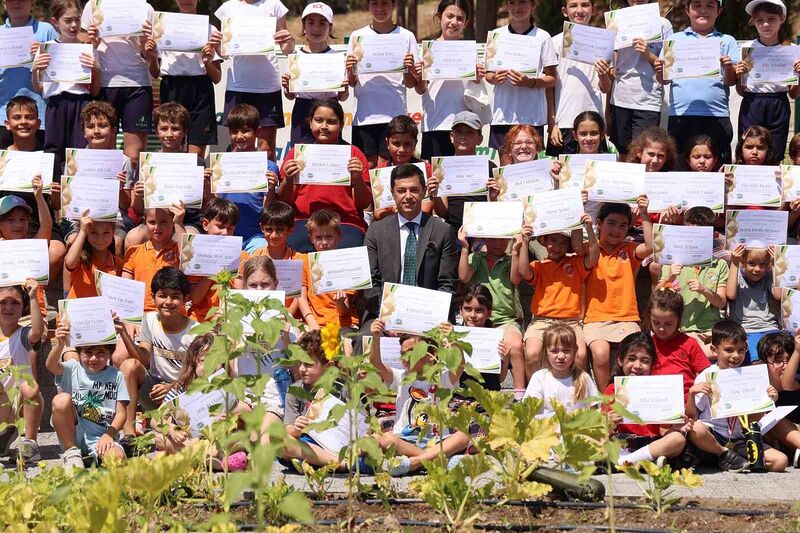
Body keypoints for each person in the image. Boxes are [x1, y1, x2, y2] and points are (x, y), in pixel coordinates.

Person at [369, 318, 470, 475]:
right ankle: (438, 461)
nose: (405, 359)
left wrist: (453, 339)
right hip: (404, 440)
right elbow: (376, 365)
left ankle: (415, 462)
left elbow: (459, 365)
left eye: (412, 353)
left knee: (462, 436)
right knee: (383, 438)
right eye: (402, 354)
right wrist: (376, 338)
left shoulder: (441, 377)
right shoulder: (401, 377)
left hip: (437, 440)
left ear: (432, 355)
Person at [688, 319, 788, 472]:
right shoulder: (706, 376)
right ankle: (724, 455)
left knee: (780, 461)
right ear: (714, 350)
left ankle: (729, 459)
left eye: (741, 350)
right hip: (713, 434)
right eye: (729, 350)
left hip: (740, 438)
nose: (736, 355)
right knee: (695, 429)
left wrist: (768, 401)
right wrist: (692, 393)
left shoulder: (750, 376)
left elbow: (751, 422)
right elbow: (692, 416)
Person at [363, 163, 458, 323]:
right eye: (401, 191)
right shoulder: (375, 231)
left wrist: (427, 319)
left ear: (424, 192)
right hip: (384, 315)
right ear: (392, 193)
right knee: (365, 340)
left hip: (430, 316)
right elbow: (371, 283)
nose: (408, 196)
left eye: (414, 190)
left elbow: (446, 283)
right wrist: (389, 317)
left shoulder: (442, 231)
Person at [278, 98, 371, 252]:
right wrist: (288, 179)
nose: (324, 127)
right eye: (318, 120)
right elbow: (284, 200)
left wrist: (357, 179)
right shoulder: (297, 154)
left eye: (331, 121)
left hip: (345, 222)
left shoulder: (354, 154)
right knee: (294, 246)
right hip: (304, 220)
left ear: (341, 124)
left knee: (351, 248)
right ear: (310, 123)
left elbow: (363, 203)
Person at [118, 267, 197, 448]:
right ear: (153, 297)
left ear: (185, 299)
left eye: (175, 296)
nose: (168, 302)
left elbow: (199, 374)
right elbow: (143, 358)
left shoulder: (195, 331)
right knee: (129, 365)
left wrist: (173, 386)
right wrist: (123, 334)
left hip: (183, 392)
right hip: (154, 391)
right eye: (162, 295)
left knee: (170, 427)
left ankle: (164, 426)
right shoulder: (150, 320)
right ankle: (129, 434)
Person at [513, 215, 598, 382]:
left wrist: (588, 228)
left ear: (569, 246)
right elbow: (523, 271)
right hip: (541, 321)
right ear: (544, 241)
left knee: (580, 354)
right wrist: (525, 242)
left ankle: (576, 395)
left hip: (570, 322)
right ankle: (536, 394)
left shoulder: (575, 263)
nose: (557, 246)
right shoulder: (539, 265)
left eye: (563, 242)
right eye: (553, 240)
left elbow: (594, 257)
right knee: (531, 353)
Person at [656, 0, 739, 165]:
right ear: (687, 10)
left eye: (710, 6)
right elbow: (663, 79)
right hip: (680, 115)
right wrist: (660, 69)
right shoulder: (674, 40)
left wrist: (728, 67)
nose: (703, 10)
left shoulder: (727, 41)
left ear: (719, 11)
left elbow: (731, 81)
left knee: (717, 167)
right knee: (680, 166)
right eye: (697, 5)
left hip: (717, 115)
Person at [583, 198, 652, 389]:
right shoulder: (590, 251)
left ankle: (631, 398)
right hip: (595, 319)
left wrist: (644, 214)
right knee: (600, 352)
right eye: (611, 223)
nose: (616, 230)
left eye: (623, 225)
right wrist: (579, 208)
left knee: (635, 354)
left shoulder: (629, 250)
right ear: (599, 223)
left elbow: (650, 246)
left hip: (626, 319)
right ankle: (606, 398)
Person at [214, 0, 294, 160]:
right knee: (238, 146)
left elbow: (286, 49)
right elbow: (223, 52)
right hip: (237, 86)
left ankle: (269, 185)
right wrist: (216, 45)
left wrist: (288, 42)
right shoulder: (227, 7)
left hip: (268, 87)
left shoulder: (274, 5)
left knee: (267, 148)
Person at [158, 334, 250, 471]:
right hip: (192, 439)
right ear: (193, 363)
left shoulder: (229, 384)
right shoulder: (182, 388)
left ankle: (197, 460)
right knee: (160, 438)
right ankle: (221, 463)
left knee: (235, 440)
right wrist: (171, 429)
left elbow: (247, 409)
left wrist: (231, 415)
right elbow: (156, 418)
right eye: (202, 360)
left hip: (220, 439)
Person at [81, 0, 155, 168]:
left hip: (138, 84)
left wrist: (145, 44)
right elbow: (83, 42)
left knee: (134, 157)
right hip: (104, 83)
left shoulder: (144, 7)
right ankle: (105, 193)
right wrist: (91, 41)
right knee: (104, 152)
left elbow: (147, 53)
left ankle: (129, 193)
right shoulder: (94, 5)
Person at [346, 0, 419, 168]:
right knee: (366, 167)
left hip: (394, 116)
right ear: (368, 6)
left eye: (385, 3)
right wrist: (351, 69)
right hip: (365, 116)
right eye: (375, 4)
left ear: (394, 5)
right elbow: (352, 82)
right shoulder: (357, 36)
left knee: (388, 168)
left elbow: (410, 84)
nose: (380, 9)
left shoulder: (406, 36)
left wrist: (408, 68)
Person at [46, 321, 128, 470]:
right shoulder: (73, 369)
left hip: (103, 436)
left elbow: (121, 413)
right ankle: (71, 452)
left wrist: (109, 435)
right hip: (74, 433)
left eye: (101, 353)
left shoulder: (118, 376)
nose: (94, 359)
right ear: (79, 353)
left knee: (118, 460)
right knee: (60, 399)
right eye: (88, 353)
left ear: (110, 353)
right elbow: (51, 365)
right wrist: (59, 344)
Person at [144, 0, 221, 156]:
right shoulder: (161, 27)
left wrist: (206, 61)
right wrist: (152, 57)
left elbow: (217, 77)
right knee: (170, 147)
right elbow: (155, 73)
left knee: (195, 156)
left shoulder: (210, 29)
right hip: (171, 87)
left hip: (201, 91)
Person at [485, 0, 557, 165]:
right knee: (506, 169)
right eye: (512, 3)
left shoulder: (543, 37)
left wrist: (530, 82)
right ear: (507, 6)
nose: (517, 7)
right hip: (503, 116)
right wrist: (494, 78)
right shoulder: (496, 35)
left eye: (523, 2)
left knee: (530, 169)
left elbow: (552, 79)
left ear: (533, 5)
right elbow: (489, 75)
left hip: (531, 116)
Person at [30, 0, 100, 171]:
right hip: (56, 106)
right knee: (54, 152)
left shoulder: (88, 49)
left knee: (80, 151)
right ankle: (52, 195)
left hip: (82, 105)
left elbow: (96, 90)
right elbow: (39, 89)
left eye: (77, 19)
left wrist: (96, 70)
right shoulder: (47, 49)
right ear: (55, 22)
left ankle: (77, 193)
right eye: (68, 20)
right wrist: (35, 70)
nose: (74, 25)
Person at [414, 0, 484, 159]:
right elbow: (420, 89)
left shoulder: (469, 52)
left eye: (460, 18)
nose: (454, 22)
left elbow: (476, 87)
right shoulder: (427, 51)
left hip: (464, 128)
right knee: (435, 180)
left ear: (466, 23)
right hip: (434, 125)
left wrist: (478, 77)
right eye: (450, 16)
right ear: (439, 17)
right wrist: (420, 75)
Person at [605, 333, 689, 466]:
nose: (637, 366)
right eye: (631, 359)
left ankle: (627, 462)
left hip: (652, 443)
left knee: (678, 439)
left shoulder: (660, 388)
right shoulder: (612, 389)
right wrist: (609, 423)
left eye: (645, 361)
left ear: (652, 364)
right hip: (623, 443)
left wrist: (676, 427)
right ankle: (644, 462)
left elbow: (664, 432)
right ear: (620, 360)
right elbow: (605, 432)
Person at [654, 207, 729, 357]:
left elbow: (721, 303)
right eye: (690, 233)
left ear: (712, 235)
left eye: (700, 235)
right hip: (679, 330)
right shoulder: (671, 263)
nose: (694, 238)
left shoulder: (720, 264)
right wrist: (669, 277)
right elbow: (655, 296)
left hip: (709, 330)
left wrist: (704, 290)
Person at [458, 230, 524, 395]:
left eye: (502, 240)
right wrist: (465, 248)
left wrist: (516, 251)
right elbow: (464, 277)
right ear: (485, 237)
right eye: (493, 239)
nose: (497, 244)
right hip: (479, 321)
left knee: (515, 345)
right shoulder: (476, 258)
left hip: (504, 321)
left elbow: (515, 279)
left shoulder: (509, 260)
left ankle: (520, 393)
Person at [2, 95, 61, 279]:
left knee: (57, 251)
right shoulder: (2, 158)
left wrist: (56, 193)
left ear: (38, 123)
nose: (23, 122)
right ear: (7, 124)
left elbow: (57, 206)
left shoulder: (49, 157)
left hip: (41, 221)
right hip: (7, 221)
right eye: (17, 117)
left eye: (29, 117)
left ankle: (35, 293)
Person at [546, 0, 611, 156]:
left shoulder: (603, 41)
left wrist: (603, 74)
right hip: (564, 122)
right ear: (564, 11)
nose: (579, 10)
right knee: (564, 177)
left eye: (585, 5)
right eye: (573, 6)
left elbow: (606, 87)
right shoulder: (554, 42)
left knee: (595, 175)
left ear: (593, 9)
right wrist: (552, 123)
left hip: (593, 122)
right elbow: (549, 87)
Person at [736, 0, 799, 159]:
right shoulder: (748, 49)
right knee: (749, 152)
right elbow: (741, 91)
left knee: (775, 153)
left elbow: (793, 94)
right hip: (752, 103)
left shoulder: (791, 50)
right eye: (760, 20)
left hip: (779, 104)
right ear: (753, 22)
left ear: (782, 19)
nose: (765, 24)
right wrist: (739, 75)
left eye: (771, 19)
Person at [213, 103, 280, 253]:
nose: (239, 136)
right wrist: (207, 185)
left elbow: (268, 210)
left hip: (254, 236)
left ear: (258, 132)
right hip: (223, 232)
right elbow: (213, 203)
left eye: (245, 131)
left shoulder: (269, 167)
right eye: (234, 131)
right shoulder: (220, 164)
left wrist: (270, 189)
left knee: (262, 255)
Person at [609, 0, 672, 157]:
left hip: (648, 101)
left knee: (644, 153)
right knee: (622, 151)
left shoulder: (663, 24)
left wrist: (648, 55)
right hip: (620, 98)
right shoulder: (615, 21)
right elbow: (610, 58)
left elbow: (668, 68)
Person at [281, 2, 348, 145]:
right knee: (301, 156)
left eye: (322, 23)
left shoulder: (338, 58)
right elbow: (290, 96)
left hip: (330, 109)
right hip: (302, 109)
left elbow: (343, 97)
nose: (316, 28)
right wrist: (287, 87)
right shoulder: (295, 57)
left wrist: (345, 88)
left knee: (328, 154)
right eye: (311, 23)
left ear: (330, 28)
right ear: (304, 26)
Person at [74, 101, 136, 254]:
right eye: (90, 127)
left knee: (117, 242)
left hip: (114, 219)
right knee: (71, 242)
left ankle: (116, 277)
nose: (96, 131)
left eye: (102, 126)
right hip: (80, 217)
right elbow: (68, 200)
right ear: (83, 132)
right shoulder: (74, 159)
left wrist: (120, 187)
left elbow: (126, 204)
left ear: (114, 130)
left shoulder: (123, 160)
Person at [282, 329, 349, 467]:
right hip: (308, 444)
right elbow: (288, 429)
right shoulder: (295, 390)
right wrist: (297, 429)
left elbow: (361, 424)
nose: (301, 369)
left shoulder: (343, 389)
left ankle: (317, 463)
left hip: (338, 445)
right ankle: (342, 465)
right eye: (300, 363)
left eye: (308, 364)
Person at [0, 0, 58, 147]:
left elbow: (61, 69)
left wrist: (45, 51)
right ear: (4, 4)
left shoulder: (47, 30)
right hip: (3, 117)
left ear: (32, 3)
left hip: (39, 116)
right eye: (10, 0)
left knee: (37, 167)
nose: (16, 3)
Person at [0, 280, 44, 463]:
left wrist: (33, 297)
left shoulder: (23, 335)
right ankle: (3, 438)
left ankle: (29, 443)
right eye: (2, 302)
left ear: (24, 307)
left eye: (15, 303)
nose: (8, 307)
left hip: (20, 402)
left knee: (31, 388)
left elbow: (37, 331)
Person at [429, 110, 496, 231]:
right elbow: (443, 213)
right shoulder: (441, 168)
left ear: (480, 139)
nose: (463, 136)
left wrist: (494, 197)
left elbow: (495, 209)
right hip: (451, 230)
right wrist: (436, 194)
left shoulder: (490, 167)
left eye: (470, 132)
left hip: (482, 229)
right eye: (459, 132)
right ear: (451, 136)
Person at [298, 209, 359, 330]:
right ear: (311, 238)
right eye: (318, 237)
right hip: (314, 323)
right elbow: (301, 298)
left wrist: (340, 303)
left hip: (344, 324)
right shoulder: (305, 261)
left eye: (329, 237)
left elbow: (345, 311)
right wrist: (313, 325)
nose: (324, 242)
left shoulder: (347, 262)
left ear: (339, 236)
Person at [187, 198, 245, 322]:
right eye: (220, 227)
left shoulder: (242, 256)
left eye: (230, 229)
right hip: (200, 319)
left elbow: (240, 296)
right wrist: (212, 268)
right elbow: (195, 298)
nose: (224, 233)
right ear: (206, 225)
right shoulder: (194, 254)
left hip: (230, 317)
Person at [523, 322, 598, 417]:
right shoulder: (539, 378)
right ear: (546, 352)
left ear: (575, 351)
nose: (561, 356)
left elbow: (593, 411)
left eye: (566, 351)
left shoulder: (583, 377)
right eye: (554, 351)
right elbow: (530, 411)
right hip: (549, 429)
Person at [646, 288, 711, 398]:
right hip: (654, 400)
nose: (661, 328)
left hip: (686, 403)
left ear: (679, 319)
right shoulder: (646, 344)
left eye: (668, 324)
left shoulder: (689, 343)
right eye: (656, 323)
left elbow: (704, 374)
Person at [121, 208, 183, 314]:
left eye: (163, 222)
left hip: (172, 312)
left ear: (172, 221)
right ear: (145, 222)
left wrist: (179, 222)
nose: (157, 227)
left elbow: (187, 256)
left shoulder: (179, 250)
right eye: (152, 222)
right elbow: (125, 289)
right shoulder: (134, 252)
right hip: (142, 313)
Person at [245, 201, 301, 316]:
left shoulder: (300, 259)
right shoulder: (254, 256)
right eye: (269, 229)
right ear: (262, 228)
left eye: (280, 230)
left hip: (289, 317)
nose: (274, 235)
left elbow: (298, 297)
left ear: (290, 229)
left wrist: (286, 317)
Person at [727, 244, 782, 362]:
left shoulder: (768, 276)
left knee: (779, 357)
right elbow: (731, 294)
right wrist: (734, 262)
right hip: (745, 329)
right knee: (755, 361)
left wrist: (775, 264)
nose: (757, 269)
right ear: (743, 262)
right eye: (751, 263)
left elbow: (778, 295)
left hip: (769, 327)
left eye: (763, 264)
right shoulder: (737, 274)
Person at [455, 284, 515, 391]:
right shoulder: (454, 338)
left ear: (489, 313)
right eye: (468, 309)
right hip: (460, 396)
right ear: (460, 310)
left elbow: (500, 379)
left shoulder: (495, 340)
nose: (473, 315)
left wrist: (505, 359)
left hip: (487, 396)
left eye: (479, 310)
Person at [63, 210, 121, 299]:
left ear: (113, 232)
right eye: (93, 232)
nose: (100, 239)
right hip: (78, 310)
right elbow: (70, 262)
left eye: (106, 233)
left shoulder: (118, 263)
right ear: (87, 233)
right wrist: (82, 231)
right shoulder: (80, 258)